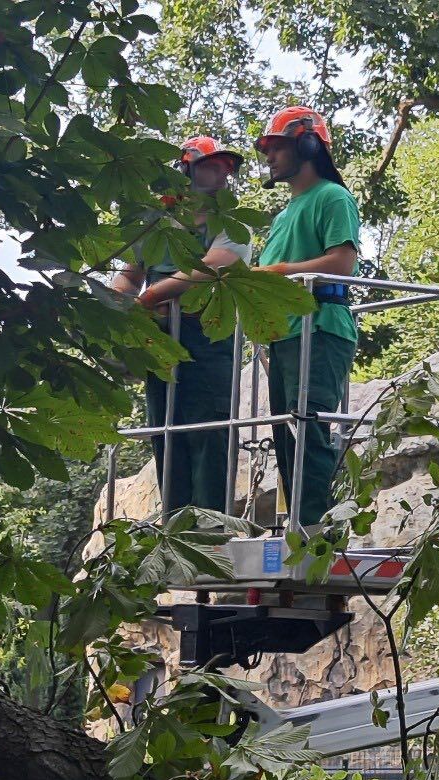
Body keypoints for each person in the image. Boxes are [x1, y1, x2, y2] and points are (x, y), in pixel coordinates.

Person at [110, 136, 250, 514]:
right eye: (212, 165)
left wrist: (147, 300)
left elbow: (209, 268)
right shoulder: (156, 226)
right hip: (158, 343)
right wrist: (115, 307)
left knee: (210, 432)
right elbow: (128, 275)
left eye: (227, 168)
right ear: (185, 169)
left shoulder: (233, 227)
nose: (223, 175)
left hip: (207, 337)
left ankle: (210, 529)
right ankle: (175, 529)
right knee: (165, 435)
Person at [253, 106, 360, 527]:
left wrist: (277, 272)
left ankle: (319, 536)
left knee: (308, 431)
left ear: (308, 143)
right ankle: (300, 528)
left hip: (320, 329)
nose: (269, 157)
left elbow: (343, 261)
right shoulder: (283, 214)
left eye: (277, 147)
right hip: (283, 336)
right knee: (286, 437)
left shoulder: (333, 197)